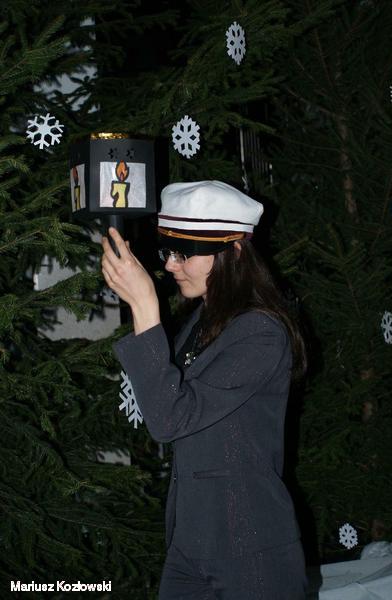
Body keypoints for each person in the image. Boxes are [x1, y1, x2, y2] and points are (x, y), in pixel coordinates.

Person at [101, 180, 308, 599]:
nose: (170, 266)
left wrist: (145, 307)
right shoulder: (203, 320)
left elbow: (170, 418)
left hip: (249, 547)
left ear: (234, 252)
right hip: (191, 540)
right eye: (168, 252)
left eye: (185, 254)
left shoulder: (261, 333)